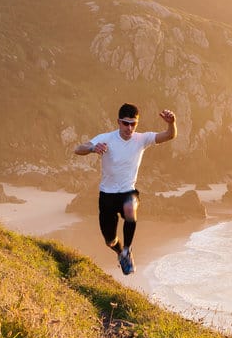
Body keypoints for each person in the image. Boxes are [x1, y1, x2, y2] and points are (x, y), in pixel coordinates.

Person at [74, 103, 177, 275]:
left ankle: (127, 251)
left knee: (130, 208)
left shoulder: (142, 139)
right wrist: (93, 148)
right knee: (110, 241)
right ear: (118, 122)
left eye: (133, 124)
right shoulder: (106, 138)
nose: (129, 128)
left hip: (128, 191)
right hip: (107, 195)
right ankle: (120, 252)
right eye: (125, 123)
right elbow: (78, 149)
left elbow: (169, 135)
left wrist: (171, 123)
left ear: (137, 123)